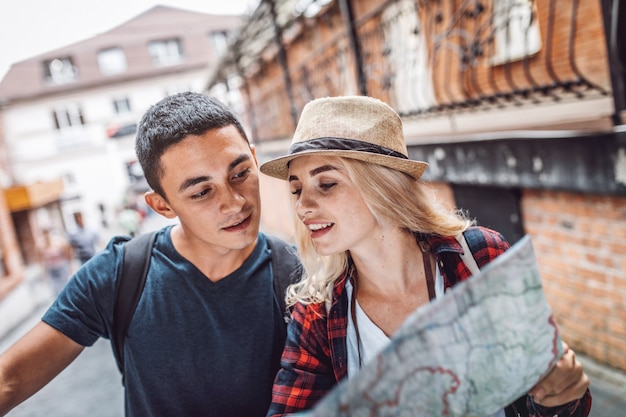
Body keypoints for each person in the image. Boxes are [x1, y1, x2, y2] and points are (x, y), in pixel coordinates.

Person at [259, 96, 592, 417]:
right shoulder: (318, 311)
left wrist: (560, 395)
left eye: (326, 184)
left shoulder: (478, 257)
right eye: (296, 189)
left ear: (381, 185)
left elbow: (551, 395)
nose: (303, 206)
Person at [0, 92, 301, 417]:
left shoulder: (297, 274)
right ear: (162, 205)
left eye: (240, 174)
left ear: (255, 160)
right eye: (202, 192)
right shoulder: (119, 275)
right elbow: (10, 380)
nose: (235, 203)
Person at [38, 228, 73, 295]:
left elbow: (68, 253)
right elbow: (42, 262)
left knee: (64, 287)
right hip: (51, 270)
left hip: (61, 268)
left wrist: (70, 266)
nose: (46, 236)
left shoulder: (59, 243)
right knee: (55, 290)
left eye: (47, 234)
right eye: (44, 234)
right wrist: (43, 274)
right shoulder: (41, 247)